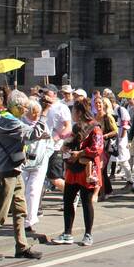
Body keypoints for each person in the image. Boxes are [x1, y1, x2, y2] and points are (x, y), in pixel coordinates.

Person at [0, 90, 48, 261]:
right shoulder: (6, 119)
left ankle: (22, 246)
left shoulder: (6, 117)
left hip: (15, 168)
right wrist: (44, 113)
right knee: (1, 211)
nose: (26, 111)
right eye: (24, 107)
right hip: (5, 171)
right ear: (16, 106)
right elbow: (33, 133)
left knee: (20, 209)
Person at [51, 98, 103, 246]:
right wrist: (65, 147)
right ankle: (67, 233)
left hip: (86, 170)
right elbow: (71, 142)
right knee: (68, 201)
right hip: (73, 170)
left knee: (87, 203)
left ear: (79, 112)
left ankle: (88, 234)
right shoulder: (76, 127)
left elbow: (98, 149)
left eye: (73, 111)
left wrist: (79, 153)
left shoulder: (95, 128)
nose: (72, 114)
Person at [21, 99, 54, 233]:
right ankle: (20, 217)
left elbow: (50, 143)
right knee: (22, 191)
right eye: (33, 113)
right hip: (23, 162)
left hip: (39, 163)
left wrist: (46, 154)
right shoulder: (21, 123)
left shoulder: (43, 124)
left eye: (37, 113)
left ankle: (30, 220)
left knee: (33, 190)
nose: (36, 116)